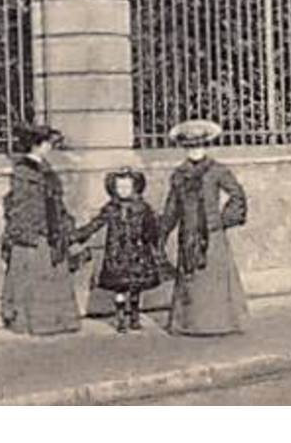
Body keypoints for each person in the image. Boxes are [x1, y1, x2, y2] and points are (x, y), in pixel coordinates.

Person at [159, 119, 249, 336]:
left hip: (212, 235)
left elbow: (238, 196)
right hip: (188, 233)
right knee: (190, 279)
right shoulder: (179, 175)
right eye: (190, 146)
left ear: (206, 145)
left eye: (198, 145)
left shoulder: (217, 171)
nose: (195, 151)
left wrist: (222, 220)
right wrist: (162, 233)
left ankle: (218, 323)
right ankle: (188, 324)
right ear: (184, 147)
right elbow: (172, 207)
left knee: (213, 279)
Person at [0, 123, 87, 336]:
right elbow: (22, 205)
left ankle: (56, 322)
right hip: (35, 231)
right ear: (37, 145)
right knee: (34, 277)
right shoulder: (24, 172)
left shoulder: (45, 169)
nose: (50, 147)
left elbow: (56, 201)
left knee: (53, 275)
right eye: (48, 143)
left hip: (51, 229)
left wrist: (64, 227)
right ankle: (35, 323)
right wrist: (32, 231)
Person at [73, 166, 164, 334]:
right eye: (119, 187)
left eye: (126, 187)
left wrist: (153, 239)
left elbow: (152, 228)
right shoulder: (111, 208)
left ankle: (135, 316)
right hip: (117, 253)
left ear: (134, 187)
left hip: (138, 252)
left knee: (136, 286)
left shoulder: (143, 208)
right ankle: (121, 318)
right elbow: (97, 223)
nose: (123, 191)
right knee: (119, 287)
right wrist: (79, 234)